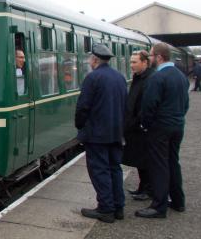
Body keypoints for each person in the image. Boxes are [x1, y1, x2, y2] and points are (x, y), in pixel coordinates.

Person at [75, 43, 128, 223]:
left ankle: (105, 208)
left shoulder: (93, 78)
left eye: (90, 58)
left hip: (97, 134)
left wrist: (80, 125)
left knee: (99, 170)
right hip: (116, 132)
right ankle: (118, 207)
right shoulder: (119, 78)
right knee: (115, 168)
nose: (89, 61)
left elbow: (83, 106)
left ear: (95, 59)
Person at [136, 42, 189, 219]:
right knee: (173, 162)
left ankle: (159, 206)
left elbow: (149, 105)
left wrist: (145, 124)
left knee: (159, 165)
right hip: (178, 125)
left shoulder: (157, 78)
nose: (150, 59)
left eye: (151, 56)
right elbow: (186, 103)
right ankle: (178, 201)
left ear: (159, 57)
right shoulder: (181, 76)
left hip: (160, 128)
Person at [122, 50, 153, 201]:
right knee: (140, 160)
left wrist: (137, 123)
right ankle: (143, 187)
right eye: (131, 62)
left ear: (145, 62)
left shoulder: (149, 80)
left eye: (134, 62)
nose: (131, 65)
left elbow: (146, 105)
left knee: (145, 160)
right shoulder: (139, 77)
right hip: (135, 127)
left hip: (141, 128)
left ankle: (148, 189)